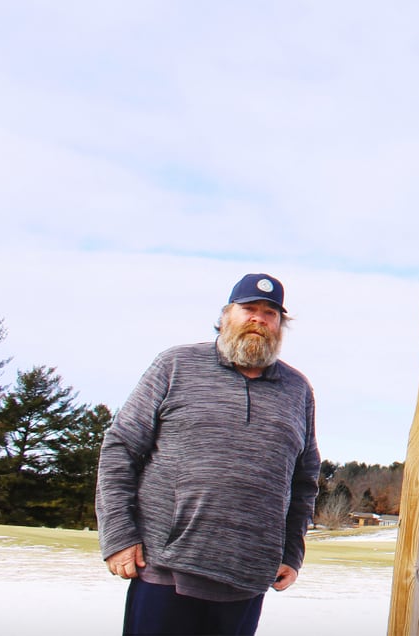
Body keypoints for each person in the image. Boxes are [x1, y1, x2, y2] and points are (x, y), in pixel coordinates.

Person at [96, 273, 321, 636]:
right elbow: (121, 448)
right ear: (226, 315)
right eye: (248, 308)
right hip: (165, 571)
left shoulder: (298, 390)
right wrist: (119, 535)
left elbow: (304, 480)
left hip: (246, 579)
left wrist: (291, 552)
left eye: (270, 313)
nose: (259, 319)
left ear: (280, 325)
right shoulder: (176, 365)